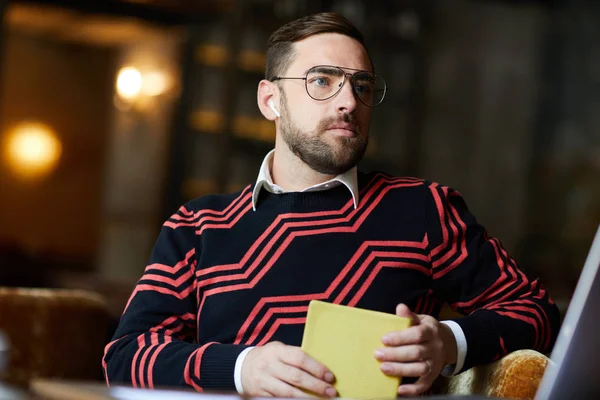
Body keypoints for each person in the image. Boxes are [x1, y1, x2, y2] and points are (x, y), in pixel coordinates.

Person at [103, 12, 560, 397]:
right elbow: (126, 356)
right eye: (322, 80)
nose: (348, 101)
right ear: (270, 100)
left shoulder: (424, 210)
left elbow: (536, 310)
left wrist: (449, 341)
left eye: (361, 86)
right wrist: (242, 368)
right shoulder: (198, 225)